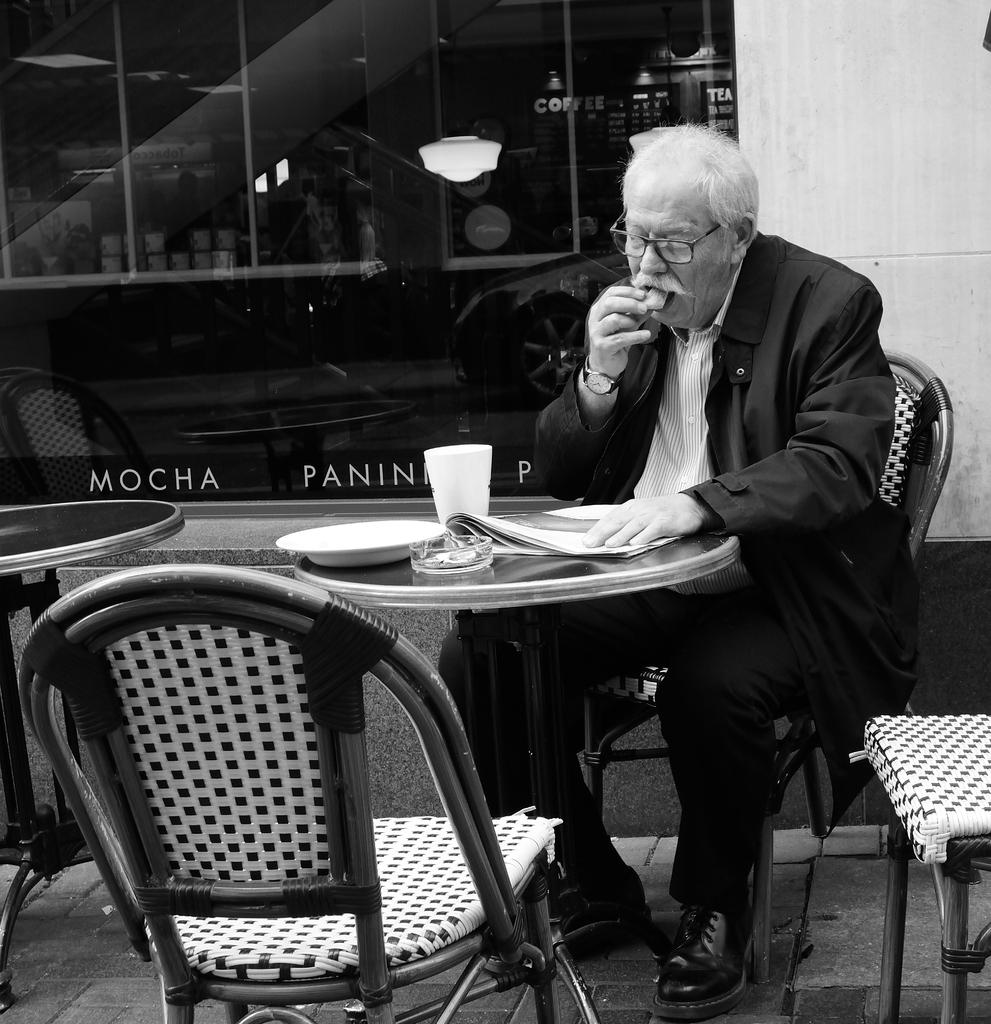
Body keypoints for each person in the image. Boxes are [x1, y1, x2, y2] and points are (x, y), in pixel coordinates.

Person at [439, 123, 918, 1022]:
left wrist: (697, 504)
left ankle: (714, 910)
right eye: (632, 235)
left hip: (786, 583)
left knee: (712, 683)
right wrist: (595, 378)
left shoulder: (828, 302)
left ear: (736, 238)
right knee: (484, 652)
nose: (644, 264)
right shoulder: (639, 310)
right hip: (651, 574)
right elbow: (561, 475)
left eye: (671, 242)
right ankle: (585, 879)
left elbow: (837, 465)